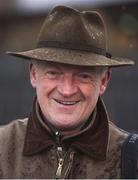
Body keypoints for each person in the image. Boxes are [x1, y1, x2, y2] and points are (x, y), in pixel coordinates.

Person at [0, 5, 135, 179]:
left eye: (83, 76)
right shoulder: (3, 148)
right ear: (34, 74)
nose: (67, 90)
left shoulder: (131, 158)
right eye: (53, 73)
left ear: (103, 81)